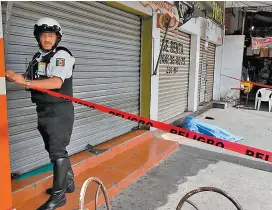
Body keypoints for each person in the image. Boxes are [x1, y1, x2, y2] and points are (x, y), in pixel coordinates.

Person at [6, 17, 75, 210]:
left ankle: (59, 196)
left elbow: (56, 82)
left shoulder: (62, 55)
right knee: (55, 150)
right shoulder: (38, 57)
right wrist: (16, 77)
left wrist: (24, 82)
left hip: (59, 111)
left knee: (57, 152)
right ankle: (68, 184)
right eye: (43, 35)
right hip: (44, 109)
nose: (47, 39)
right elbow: (31, 79)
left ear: (57, 37)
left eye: (51, 35)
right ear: (38, 37)